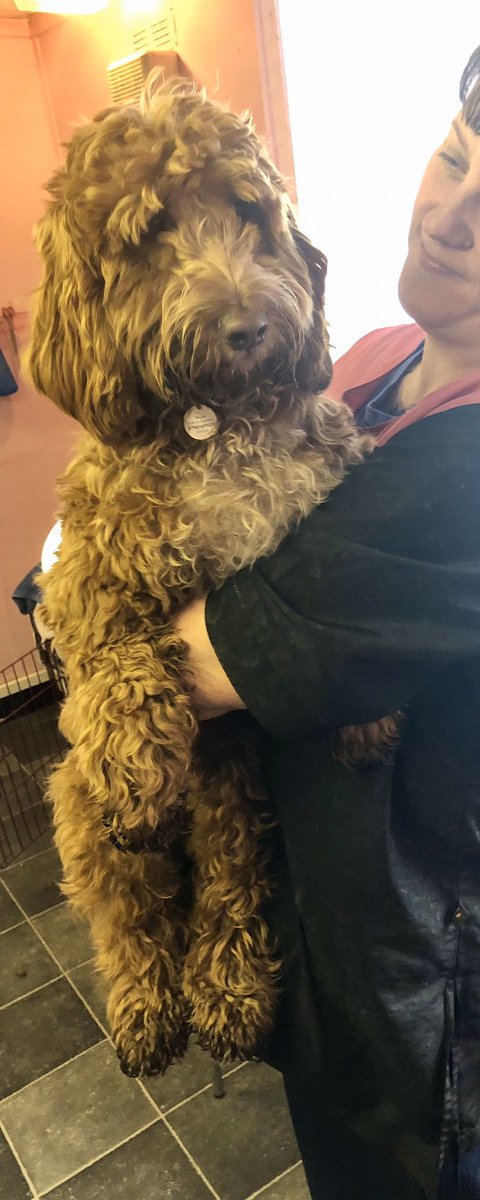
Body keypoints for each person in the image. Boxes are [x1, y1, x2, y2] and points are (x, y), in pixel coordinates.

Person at [174, 46, 480, 1200]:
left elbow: (198, 663)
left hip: (411, 1003)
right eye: (453, 158)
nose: (447, 216)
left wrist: (81, 595)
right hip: (313, 937)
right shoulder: (371, 359)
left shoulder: (466, 469)